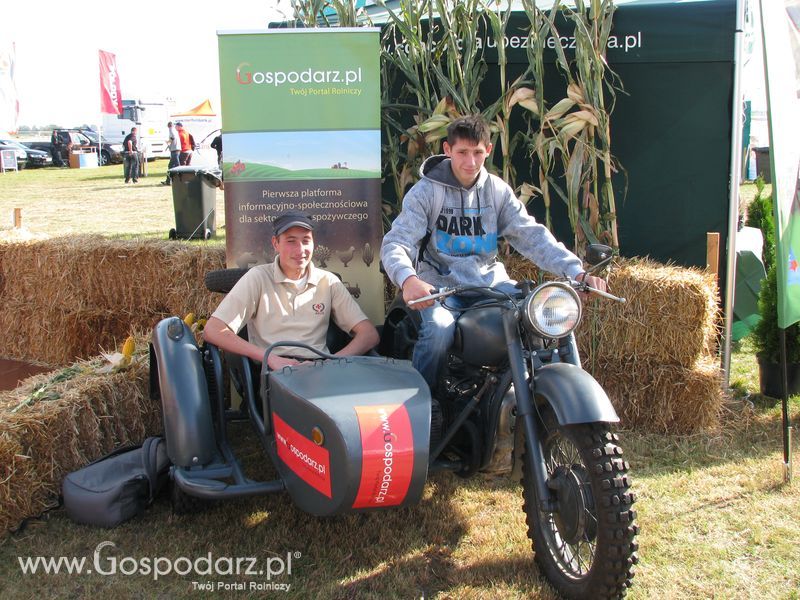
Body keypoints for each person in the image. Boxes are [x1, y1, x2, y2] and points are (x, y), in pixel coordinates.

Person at [380, 114, 607, 389]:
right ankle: (425, 407)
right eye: (462, 152)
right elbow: (396, 242)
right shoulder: (426, 192)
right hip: (441, 292)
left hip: (492, 288)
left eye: (477, 153)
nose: (470, 162)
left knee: (541, 313)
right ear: (447, 150)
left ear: (488, 150)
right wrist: (408, 279)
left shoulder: (497, 191)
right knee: (439, 331)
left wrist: (576, 271)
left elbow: (531, 235)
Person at [203, 211, 379, 370]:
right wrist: (269, 358)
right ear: (275, 243)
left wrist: (333, 362)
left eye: (305, 241)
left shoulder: (328, 281)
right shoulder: (257, 278)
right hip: (273, 371)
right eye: (291, 241)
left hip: (319, 370)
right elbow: (213, 330)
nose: (300, 250)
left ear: (313, 243)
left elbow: (369, 334)